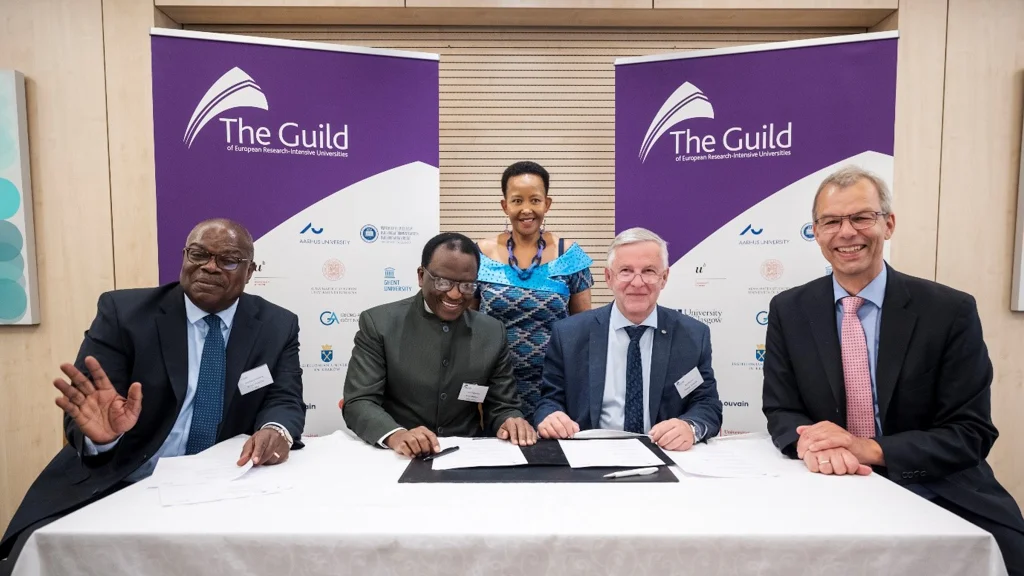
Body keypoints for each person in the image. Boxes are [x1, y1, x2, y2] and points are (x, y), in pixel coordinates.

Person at [0, 219, 305, 572]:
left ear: (250, 271)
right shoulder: (124, 314)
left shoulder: (276, 324)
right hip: (126, 476)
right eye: (199, 254)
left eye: (229, 260)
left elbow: (284, 398)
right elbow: (93, 408)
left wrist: (275, 429)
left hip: (223, 485)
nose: (210, 266)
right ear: (184, 257)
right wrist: (104, 437)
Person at [761, 165, 1024, 575]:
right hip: (828, 483)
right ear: (816, 232)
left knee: (1006, 553)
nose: (846, 232)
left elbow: (970, 433)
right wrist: (815, 446)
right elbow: (781, 410)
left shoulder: (949, 312)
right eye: (831, 221)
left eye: (861, 217)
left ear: (888, 224)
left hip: (936, 484)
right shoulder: (789, 310)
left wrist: (871, 448)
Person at [343, 232, 536, 457]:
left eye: (466, 286)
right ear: (421, 275)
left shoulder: (492, 332)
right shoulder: (379, 324)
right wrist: (396, 435)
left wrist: (510, 421)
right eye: (443, 282)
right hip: (398, 457)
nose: (455, 295)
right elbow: (359, 401)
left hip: (466, 455)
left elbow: (503, 405)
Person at [533, 227, 722, 451]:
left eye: (649, 271)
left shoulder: (692, 335)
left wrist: (690, 427)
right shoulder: (569, 335)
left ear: (664, 278)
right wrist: (551, 416)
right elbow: (549, 400)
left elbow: (707, 404)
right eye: (626, 271)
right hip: (590, 455)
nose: (638, 282)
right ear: (608, 277)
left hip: (666, 456)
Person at [474, 161, 594, 424]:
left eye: (535, 200)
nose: (526, 209)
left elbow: (585, 330)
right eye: (517, 200)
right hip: (494, 385)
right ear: (505, 205)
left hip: (554, 387)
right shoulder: (478, 255)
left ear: (547, 204)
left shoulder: (569, 255)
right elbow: (466, 327)